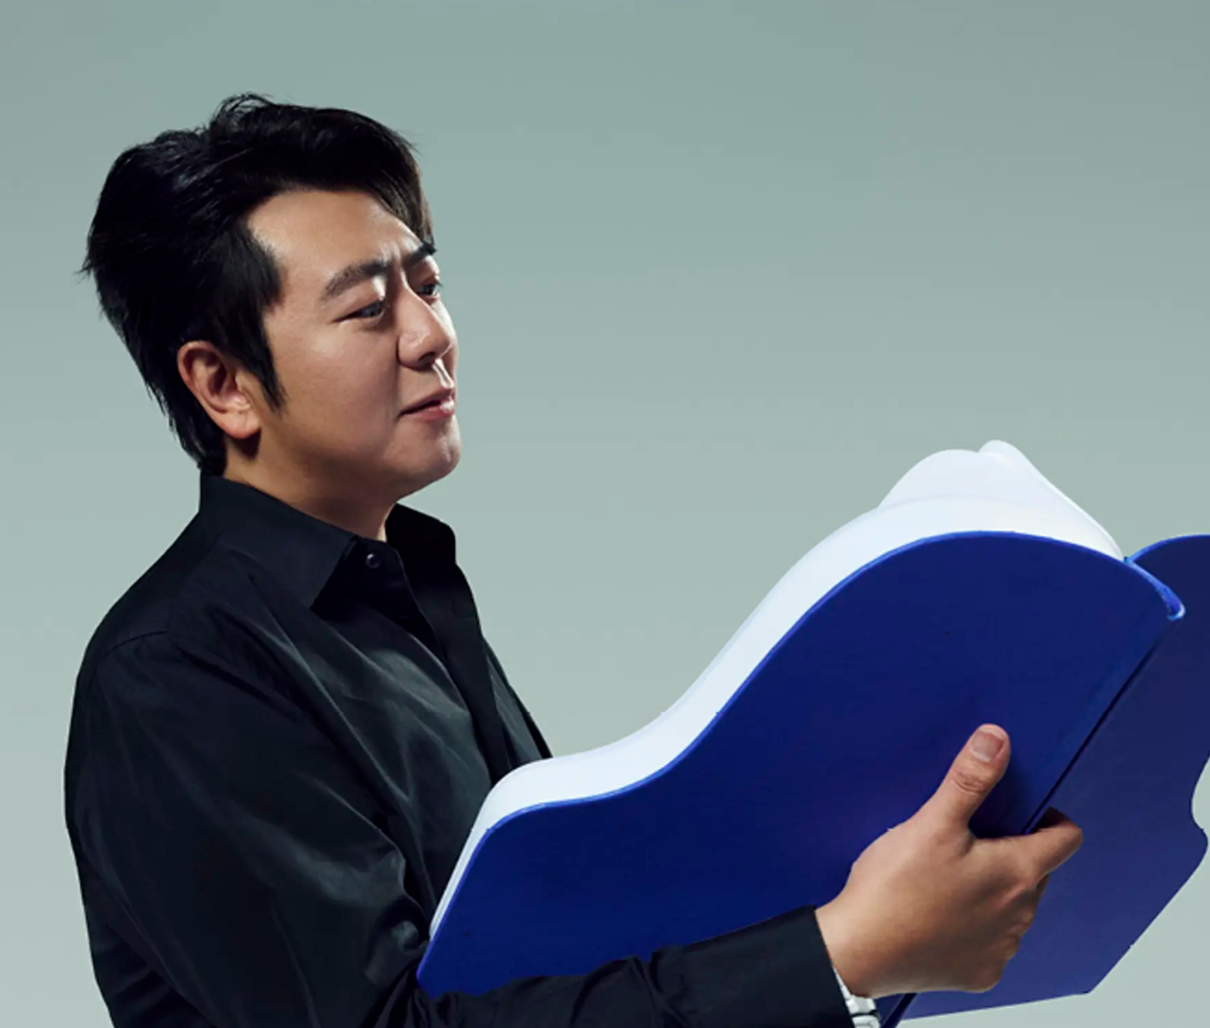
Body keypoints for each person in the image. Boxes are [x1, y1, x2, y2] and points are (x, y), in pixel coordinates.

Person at [63, 93, 1085, 1028]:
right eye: (368, 308)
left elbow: (546, 968)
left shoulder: (406, 592)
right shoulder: (181, 669)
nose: (429, 335)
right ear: (223, 385)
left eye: (428, 284)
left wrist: (863, 902)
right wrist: (837, 954)